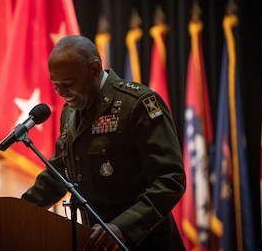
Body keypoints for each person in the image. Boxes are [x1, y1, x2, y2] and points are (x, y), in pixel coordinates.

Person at [21, 35, 186, 250]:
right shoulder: (70, 112)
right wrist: (16, 211)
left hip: (147, 242)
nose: (61, 93)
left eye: (68, 84)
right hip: (97, 243)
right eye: (55, 85)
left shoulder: (136, 104)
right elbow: (57, 176)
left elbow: (170, 179)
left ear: (95, 69)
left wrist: (123, 227)